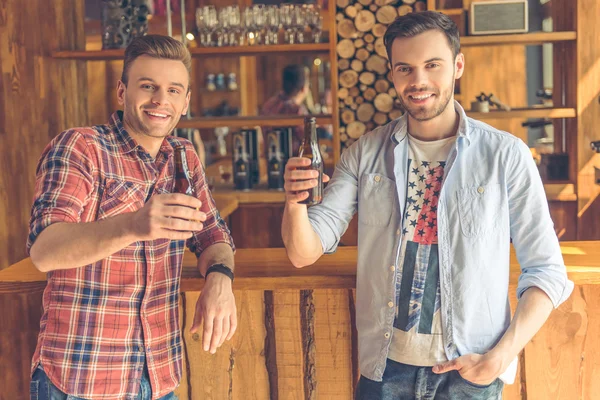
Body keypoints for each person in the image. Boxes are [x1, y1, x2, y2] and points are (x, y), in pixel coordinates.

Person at [281, 11, 573, 400]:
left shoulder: (506, 155)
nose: (418, 81)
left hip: (472, 370)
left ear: (457, 66)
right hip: (385, 370)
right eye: (405, 68)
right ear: (392, 72)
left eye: (431, 65)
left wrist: (499, 358)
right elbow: (303, 253)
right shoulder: (365, 154)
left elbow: (547, 272)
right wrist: (295, 201)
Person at [27, 35, 237, 400]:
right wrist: (133, 224)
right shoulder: (82, 147)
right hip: (83, 377)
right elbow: (45, 250)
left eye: (173, 90)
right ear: (123, 93)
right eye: (148, 87)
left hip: (157, 376)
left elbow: (213, 236)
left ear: (185, 102)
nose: (160, 100)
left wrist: (220, 278)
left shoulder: (182, 156)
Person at [260, 64, 311, 155]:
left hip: (270, 161)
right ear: (304, 88)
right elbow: (308, 142)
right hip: (295, 164)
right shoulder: (298, 110)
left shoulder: (268, 105)